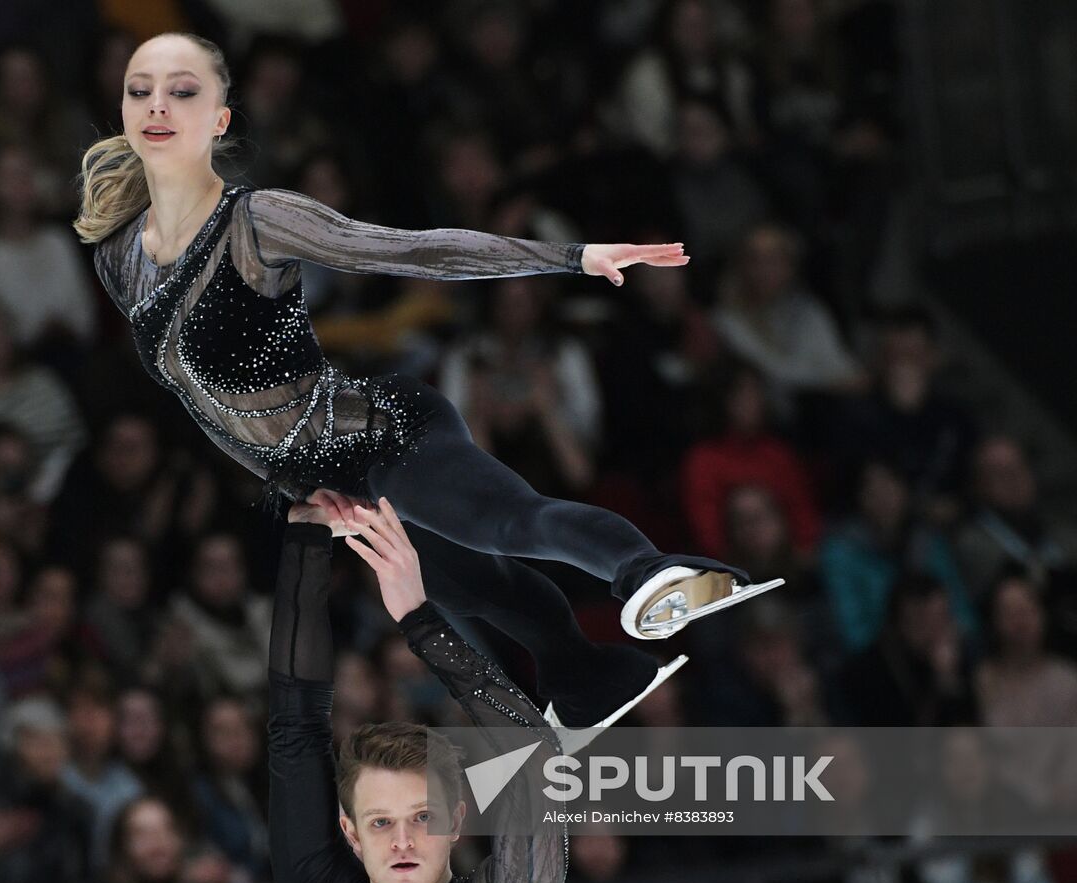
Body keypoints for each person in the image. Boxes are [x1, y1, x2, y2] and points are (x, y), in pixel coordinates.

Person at [82, 32, 780, 731]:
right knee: (474, 587)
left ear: (219, 121)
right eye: (141, 88)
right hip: (334, 484)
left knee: (506, 524)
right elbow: (199, 402)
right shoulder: (119, 257)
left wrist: (570, 257)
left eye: (183, 90)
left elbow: (413, 250)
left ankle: (650, 571)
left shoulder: (258, 220)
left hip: (383, 433)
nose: (158, 105)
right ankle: (585, 673)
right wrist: (295, 491)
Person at [267, 492, 575, 883]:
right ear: (351, 832)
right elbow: (293, 727)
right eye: (379, 822)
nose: (402, 841)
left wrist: (417, 617)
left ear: (455, 820)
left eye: (424, 816)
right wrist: (307, 530)